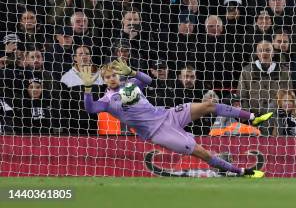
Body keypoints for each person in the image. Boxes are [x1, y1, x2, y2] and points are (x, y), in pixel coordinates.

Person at [78, 59, 271, 177]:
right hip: (158, 132)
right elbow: (90, 108)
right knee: (201, 152)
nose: (112, 78)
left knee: (208, 105)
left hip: (167, 114)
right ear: (103, 80)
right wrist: (87, 89)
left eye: (115, 75)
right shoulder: (106, 100)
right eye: (108, 76)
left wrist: (131, 72)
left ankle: (252, 117)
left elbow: (148, 80)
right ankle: (241, 172)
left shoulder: (130, 84)